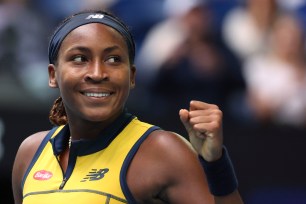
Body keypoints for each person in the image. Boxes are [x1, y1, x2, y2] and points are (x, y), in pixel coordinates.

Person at [12, 10, 243, 204]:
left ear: (132, 76)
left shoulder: (164, 151)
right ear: (53, 75)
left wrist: (215, 165)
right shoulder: (30, 153)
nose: (97, 73)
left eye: (113, 59)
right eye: (80, 59)